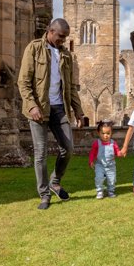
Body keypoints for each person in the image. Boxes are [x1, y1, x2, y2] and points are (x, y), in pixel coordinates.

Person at [17, 18, 84, 210]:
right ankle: (44, 194)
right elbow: (23, 82)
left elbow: (70, 87)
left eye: (65, 38)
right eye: (61, 37)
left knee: (68, 148)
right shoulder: (34, 48)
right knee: (40, 154)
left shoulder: (66, 56)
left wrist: (79, 112)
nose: (63, 41)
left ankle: (55, 181)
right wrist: (31, 106)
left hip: (59, 108)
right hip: (39, 110)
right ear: (50, 31)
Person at [88, 120, 122, 199]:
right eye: (103, 133)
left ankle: (110, 191)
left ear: (111, 133)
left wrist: (120, 153)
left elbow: (117, 152)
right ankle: (100, 191)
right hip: (100, 165)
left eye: (108, 133)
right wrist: (91, 161)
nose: (105, 136)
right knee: (99, 178)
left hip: (111, 166)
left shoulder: (113, 143)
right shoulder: (97, 143)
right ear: (98, 133)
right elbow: (92, 153)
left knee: (112, 179)